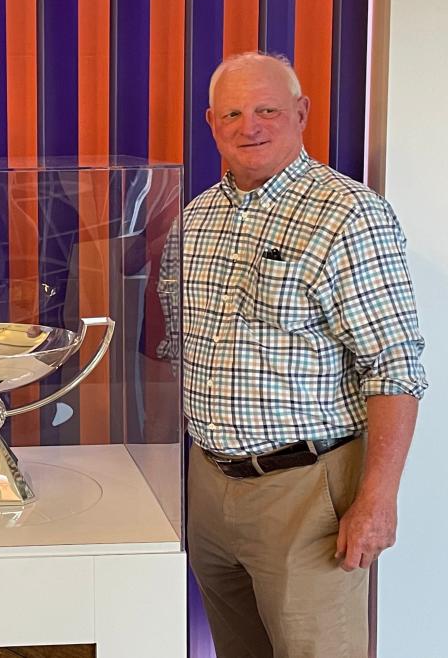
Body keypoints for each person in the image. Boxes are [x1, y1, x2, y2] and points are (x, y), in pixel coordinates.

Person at [183, 52, 427, 657]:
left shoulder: (349, 214)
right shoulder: (197, 218)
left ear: (301, 113)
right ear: (211, 122)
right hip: (210, 486)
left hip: (308, 495)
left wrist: (377, 500)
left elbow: (395, 362)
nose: (250, 126)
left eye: (266, 109)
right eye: (233, 112)